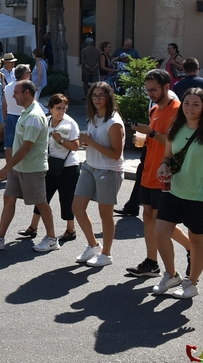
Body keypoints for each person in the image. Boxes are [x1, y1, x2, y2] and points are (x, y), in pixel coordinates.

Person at [152, 88, 203, 298]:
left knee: (197, 241)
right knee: (160, 232)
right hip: (174, 190)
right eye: (187, 103)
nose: (190, 108)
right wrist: (163, 166)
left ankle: (192, 282)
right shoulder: (175, 129)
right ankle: (171, 274)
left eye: (196, 104)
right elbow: (167, 157)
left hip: (202, 196)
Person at [0, 81, 59, 252]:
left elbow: (26, 147)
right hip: (19, 166)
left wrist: (7, 168)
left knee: (41, 203)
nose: (13, 96)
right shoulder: (26, 112)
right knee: (9, 198)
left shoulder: (34, 116)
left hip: (32, 168)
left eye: (16, 92)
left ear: (27, 93)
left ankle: (52, 239)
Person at [124, 70, 189, 277]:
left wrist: (150, 132)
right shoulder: (153, 110)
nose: (150, 94)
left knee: (163, 222)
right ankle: (151, 262)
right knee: (148, 216)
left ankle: (191, 248)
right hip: (149, 172)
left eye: (154, 90)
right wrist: (143, 138)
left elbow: (174, 142)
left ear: (166, 87)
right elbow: (153, 140)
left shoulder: (178, 110)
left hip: (166, 173)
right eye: (148, 90)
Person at [71, 82, 125, 267]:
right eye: (94, 95)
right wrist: (88, 144)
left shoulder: (114, 123)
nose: (97, 99)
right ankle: (93, 245)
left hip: (109, 170)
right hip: (89, 166)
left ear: (109, 97)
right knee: (77, 207)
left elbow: (116, 154)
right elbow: (94, 143)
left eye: (101, 95)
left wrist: (92, 143)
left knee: (105, 214)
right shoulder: (93, 117)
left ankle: (106, 254)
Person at [17, 94, 79, 244]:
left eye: (64, 108)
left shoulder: (70, 123)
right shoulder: (46, 121)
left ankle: (70, 229)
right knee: (42, 197)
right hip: (50, 165)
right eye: (58, 108)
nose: (61, 111)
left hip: (68, 167)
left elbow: (76, 146)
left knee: (66, 199)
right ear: (50, 108)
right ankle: (33, 227)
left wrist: (61, 140)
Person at [3, 64, 31, 162]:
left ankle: (9, 169)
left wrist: (5, 118)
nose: (30, 74)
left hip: (10, 115)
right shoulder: (27, 88)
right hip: (24, 117)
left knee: (9, 144)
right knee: (25, 144)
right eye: (29, 72)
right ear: (24, 75)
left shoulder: (8, 87)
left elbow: (4, 104)